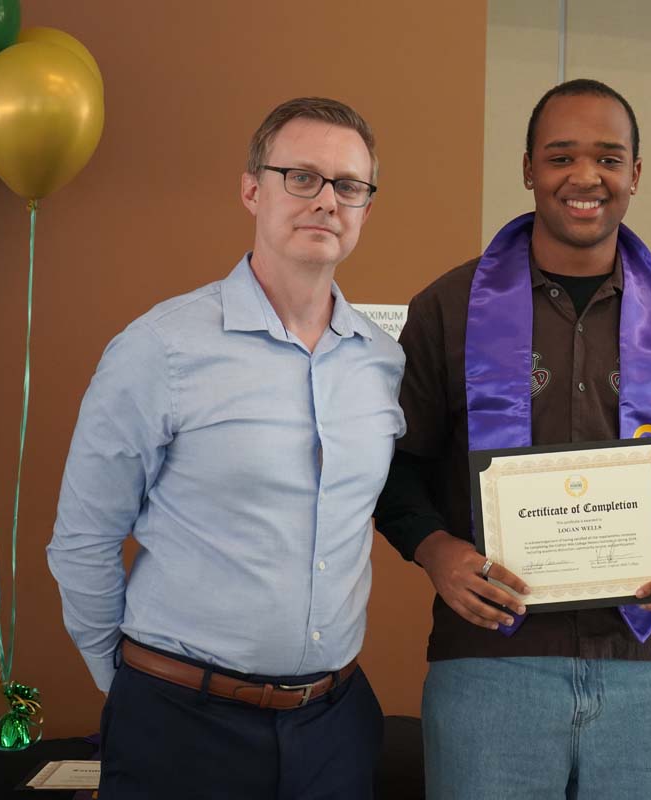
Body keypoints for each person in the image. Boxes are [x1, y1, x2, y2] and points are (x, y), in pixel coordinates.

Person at [373, 78, 651, 799]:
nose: (586, 177)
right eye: (561, 157)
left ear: (635, 176)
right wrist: (437, 551)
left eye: (609, 158)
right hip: (490, 665)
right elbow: (395, 468)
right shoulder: (449, 309)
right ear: (527, 170)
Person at [47, 97, 404, 799]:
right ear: (252, 189)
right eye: (301, 177)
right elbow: (83, 541)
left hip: (334, 727)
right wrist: (128, 689)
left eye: (348, 186)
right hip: (180, 726)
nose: (326, 201)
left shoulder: (381, 362)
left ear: (364, 207)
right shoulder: (162, 348)